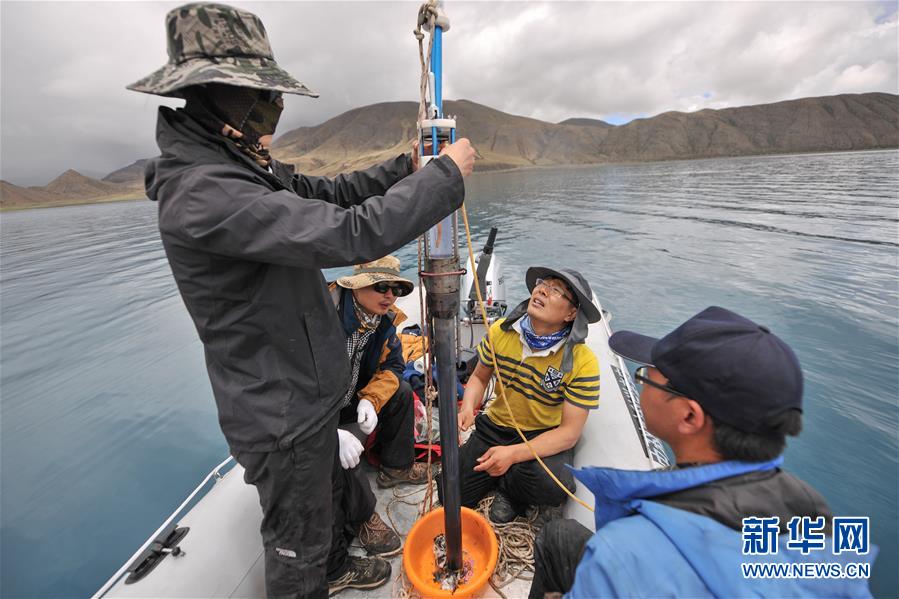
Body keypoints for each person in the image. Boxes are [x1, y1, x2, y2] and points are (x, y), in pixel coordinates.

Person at [127, 4, 476, 598]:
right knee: (298, 547)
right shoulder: (207, 193)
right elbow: (348, 234)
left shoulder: (238, 166)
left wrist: (407, 168)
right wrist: (442, 179)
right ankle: (319, 571)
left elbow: (329, 194)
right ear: (218, 97)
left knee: (327, 502)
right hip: (277, 411)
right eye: (264, 95)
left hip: (304, 391)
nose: (277, 108)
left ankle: (337, 563)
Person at [530, 306, 876, 598]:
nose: (642, 382)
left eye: (647, 377)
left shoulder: (621, 554)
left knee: (556, 537)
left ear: (689, 416)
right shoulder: (814, 511)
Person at [438, 267, 602, 523]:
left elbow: (569, 434)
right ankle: (504, 472)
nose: (542, 290)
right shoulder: (500, 332)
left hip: (542, 434)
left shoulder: (583, 362)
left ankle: (510, 491)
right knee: (450, 492)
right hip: (495, 426)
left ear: (571, 313)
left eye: (556, 290)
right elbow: (480, 377)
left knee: (554, 485)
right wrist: (468, 406)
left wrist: (513, 454)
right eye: (542, 284)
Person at [329, 256, 432, 489]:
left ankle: (396, 468)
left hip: (351, 400)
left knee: (402, 392)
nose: (390, 296)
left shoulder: (383, 321)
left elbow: (393, 366)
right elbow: (298, 384)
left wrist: (369, 399)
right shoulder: (324, 316)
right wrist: (328, 433)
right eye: (382, 287)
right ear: (356, 285)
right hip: (318, 412)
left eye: (395, 289)